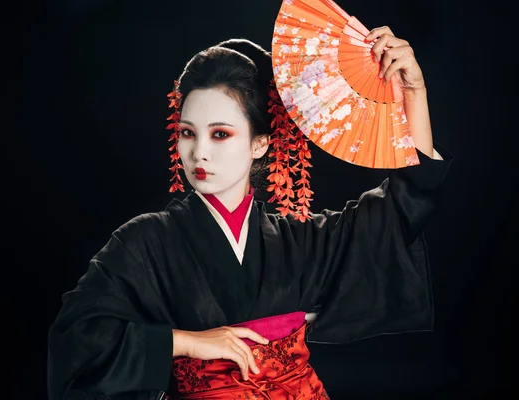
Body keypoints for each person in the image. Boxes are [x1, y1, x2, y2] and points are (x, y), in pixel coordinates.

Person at [47, 25, 452, 400]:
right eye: (188, 132)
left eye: (220, 134)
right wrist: (187, 342)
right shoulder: (145, 244)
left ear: (260, 144)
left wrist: (414, 93)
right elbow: (77, 340)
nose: (198, 152)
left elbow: (402, 205)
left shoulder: (300, 240)